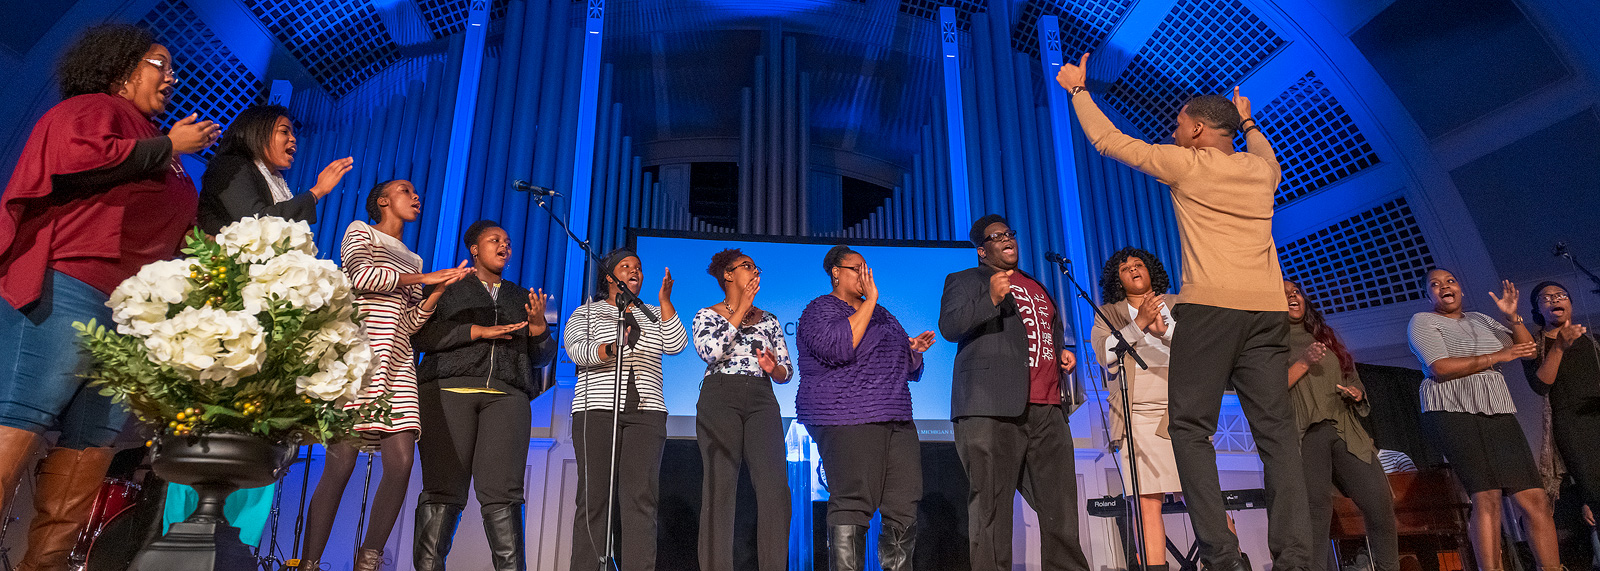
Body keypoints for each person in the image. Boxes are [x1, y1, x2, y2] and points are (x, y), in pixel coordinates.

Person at [1057, 54, 1311, 571]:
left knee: (1189, 428)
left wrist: (1078, 91)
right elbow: (1264, 150)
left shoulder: (1188, 164)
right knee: (1278, 438)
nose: (1174, 133)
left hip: (1213, 310)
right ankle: (1296, 560)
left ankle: (1222, 556)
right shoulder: (1263, 171)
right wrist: (1248, 120)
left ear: (1196, 129)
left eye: (1178, 126)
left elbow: (1109, 142)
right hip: (1266, 313)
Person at [0, 24, 219, 570]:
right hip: (72, 283)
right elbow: (78, 159)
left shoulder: (159, 148)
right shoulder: (93, 109)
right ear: (121, 70)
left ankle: (45, 565)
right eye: (158, 63)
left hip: (130, 310)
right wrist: (169, 144)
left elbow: (171, 230)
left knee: (92, 443)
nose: (171, 76)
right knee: (20, 420)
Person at [293, 180, 471, 571]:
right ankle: (309, 563)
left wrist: (436, 290)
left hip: (398, 362)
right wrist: (422, 281)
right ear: (383, 201)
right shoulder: (361, 231)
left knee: (402, 462)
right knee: (341, 464)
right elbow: (360, 278)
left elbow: (408, 322)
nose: (416, 195)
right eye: (405, 190)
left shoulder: (416, 259)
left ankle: (369, 558)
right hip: (358, 356)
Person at [938, 215, 1088, 571]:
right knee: (991, 508)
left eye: (1010, 233)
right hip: (990, 407)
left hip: (1048, 408)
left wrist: (1060, 352)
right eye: (996, 236)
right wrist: (990, 297)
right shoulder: (964, 280)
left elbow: (1038, 335)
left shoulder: (1037, 285)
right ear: (982, 249)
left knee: (1061, 509)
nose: (1007, 239)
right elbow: (950, 326)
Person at [410, 220, 558, 571]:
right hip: (448, 390)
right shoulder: (448, 288)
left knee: (504, 495)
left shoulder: (522, 297)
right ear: (474, 249)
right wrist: (477, 331)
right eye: (495, 240)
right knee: (444, 490)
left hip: (507, 397)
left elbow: (541, 358)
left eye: (507, 241)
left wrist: (538, 328)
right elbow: (423, 337)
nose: (504, 245)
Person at [1407, 268, 1559, 571]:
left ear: (1460, 288)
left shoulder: (1482, 319)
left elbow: (1528, 351)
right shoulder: (1422, 321)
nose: (1444, 287)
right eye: (1434, 285)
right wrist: (1497, 357)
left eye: (1450, 281)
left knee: (1535, 498)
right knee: (1486, 496)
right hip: (1452, 409)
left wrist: (1512, 317)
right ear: (1428, 295)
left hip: (1497, 408)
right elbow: (1440, 367)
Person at [797, 245, 935, 571]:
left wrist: (912, 351)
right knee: (853, 501)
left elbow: (910, 369)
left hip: (896, 416)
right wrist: (870, 302)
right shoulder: (820, 310)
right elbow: (840, 346)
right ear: (835, 272)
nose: (865, 275)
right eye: (856, 269)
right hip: (846, 415)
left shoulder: (884, 315)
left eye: (866, 268)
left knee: (904, 501)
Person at [564, 248, 685, 571]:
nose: (635, 271)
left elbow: (676, 345)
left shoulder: (654, 314)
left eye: (639, 267)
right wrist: (612, 348)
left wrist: (665, 303)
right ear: (609, 276)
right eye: (626, 266)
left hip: (646, 414)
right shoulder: (586, 313)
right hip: (597, 410)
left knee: (640, 500)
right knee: (594, 500)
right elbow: (577, 351)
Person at [1283, 280, 1397, 571]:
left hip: (1344, 426)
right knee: (1316, 514)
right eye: (1283, 294)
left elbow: (1350, 375)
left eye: (1296, 292)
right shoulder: (1270, 341)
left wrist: (1356, 392)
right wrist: (1305, 362)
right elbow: (1270, 390)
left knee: (1379, 503)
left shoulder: (1324, 336)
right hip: (1306, 434)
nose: (1292, 297)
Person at [691, 249, 793, 571]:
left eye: (755, 266)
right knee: (720, 489)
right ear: (728, 275)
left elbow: (787, 372)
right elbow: (710, 351)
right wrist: (741, 310)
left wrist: (773, 368)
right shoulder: (706, 315)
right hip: (721, 394)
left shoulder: (771, 320)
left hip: (762, 398)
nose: (754, 271)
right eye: (747, 266)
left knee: (775, 488)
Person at [1090, 248, 1180, 570]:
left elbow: (1197, 346)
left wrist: (1163, 332)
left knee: (1201, 494)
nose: (1133, 270)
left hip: (1180, 413)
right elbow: (1105, 355)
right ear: (1119, 279)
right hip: (1135, 418)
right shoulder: (1108, 314)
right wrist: (1140, 323)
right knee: (1146, 502)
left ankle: (1227, 562)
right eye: (1125, 268)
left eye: (1138, 264)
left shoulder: (1176, 304)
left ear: (1150, 270)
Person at [196, 104, 353, 234]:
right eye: (284, 131)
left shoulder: (274, 179)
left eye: (292, 133)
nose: (293, 139)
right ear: (257, 133)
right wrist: (317, 191)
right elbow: (257, 223)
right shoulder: (230, 166)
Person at [1525, 281, 1600, 517]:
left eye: (1560, 295)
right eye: (1546, 298)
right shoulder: (1534, 347)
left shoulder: (1593, 340)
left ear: (1570, 303)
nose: (1555, 299)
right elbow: (1540, 385)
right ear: (1537, 310)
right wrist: (1558, 346)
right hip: (1575, 431)